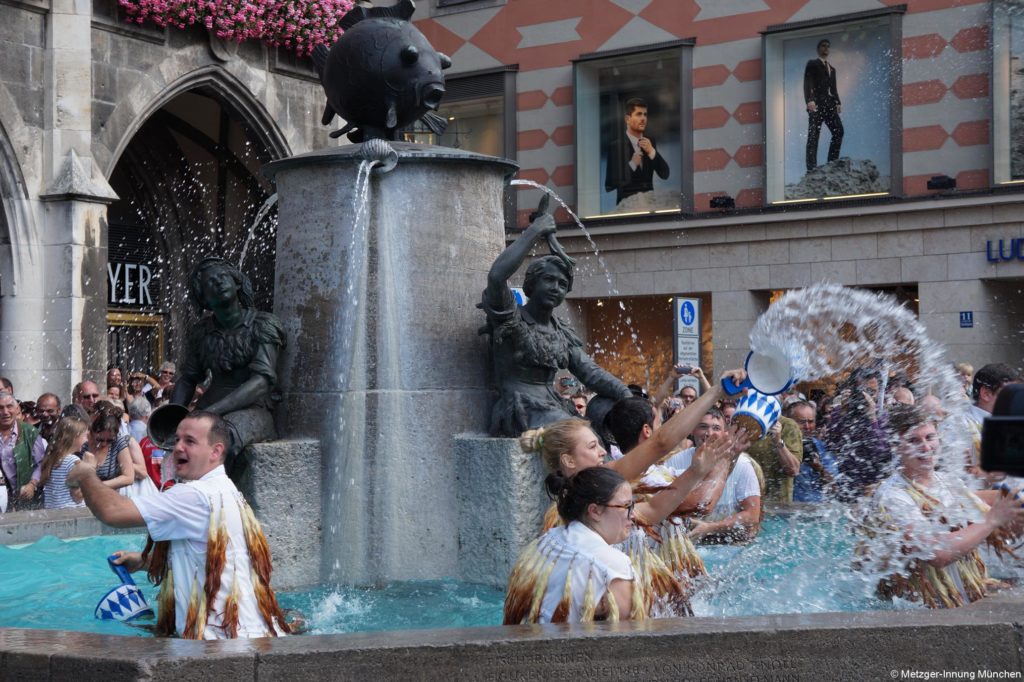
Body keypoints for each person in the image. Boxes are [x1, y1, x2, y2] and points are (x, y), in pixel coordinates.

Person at [66, 411, 290, 638]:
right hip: (251, 636)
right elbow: (210, 559)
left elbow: (111, 512)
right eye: (177, 440)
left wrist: (86, 474)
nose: (178, 448)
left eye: (190, 441)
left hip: (219, 645)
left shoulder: (193, 495)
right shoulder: (227, 491)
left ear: (216, 451)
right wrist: (145, 562)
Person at [480, 198, 630, 436]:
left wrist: (628, 397)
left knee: (610, 421)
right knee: (579, 436)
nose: (556, 288)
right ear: (531, 284)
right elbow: (497, 276)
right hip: (520, 409)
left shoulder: (560, 331)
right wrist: (534, 231)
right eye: (549, 280)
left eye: (562, 284)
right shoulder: (511, 317)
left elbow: (590, 372)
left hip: (554, 407)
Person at [860, 405, 1024, 608]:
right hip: (920, 610)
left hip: (962, 597)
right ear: (895, 445)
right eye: (913, 440)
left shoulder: (946, 481)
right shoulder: (893, 497)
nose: (926, 448)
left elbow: (993, 521)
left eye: (930, 437)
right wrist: (993, 519)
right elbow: (937, 554)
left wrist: (1015, 509)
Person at [172, 257, 286, 481]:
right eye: (210, 283)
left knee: (223, 438)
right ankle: (187, 495)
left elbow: (262, 381)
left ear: (236, 283)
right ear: (203, 298)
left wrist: (213, 412)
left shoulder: (263, 325)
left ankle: (224, 499)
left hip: (253, 409)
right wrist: (173, 414)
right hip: (211, 409)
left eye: (223, 277)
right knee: (185, 442)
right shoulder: (201, 333)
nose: (218, 283)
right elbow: (188, 378)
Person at [504, 467, 635, 624]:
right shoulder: (613, 564)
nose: (632, 515)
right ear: (595, 511)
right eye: (626, 507)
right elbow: (627, 635)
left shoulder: (547, 540)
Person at [664, 409, 762, 544]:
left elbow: (752, 517)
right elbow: (663, 508)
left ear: (725, 433)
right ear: (692, 430)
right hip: (687, 540)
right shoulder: (674, 462)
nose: (709, 433)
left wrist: (709, 528)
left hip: (728, 544)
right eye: (703, 427)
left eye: (716, 428)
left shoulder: (742, 464)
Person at [604, 97, 670, 206]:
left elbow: (665, 174)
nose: (643, 118)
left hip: (649, 207)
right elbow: (610, 185)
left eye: (645, 114)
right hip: (627, 209)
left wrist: (652, 152)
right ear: (627, 119)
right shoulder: (616, 146)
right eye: (639, 114)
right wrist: (632, 165)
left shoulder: (650, 142)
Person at [0, 390, 46, 511]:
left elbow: (41, 464)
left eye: (9, 406)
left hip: (26, 500)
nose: (5, 412)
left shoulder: (29, 432)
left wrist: (32, 484)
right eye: (0, 408)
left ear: (16, 409)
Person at [803, 38, 843, 172]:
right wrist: (810, 100)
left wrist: (838, 102)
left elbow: (834, 89)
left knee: (839, 131)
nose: (826, 48)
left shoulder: (832, 69)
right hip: (817, 104)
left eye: (828, 46)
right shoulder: (812, 63)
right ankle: (811, 167)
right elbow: (808, 82)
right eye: (823, 46)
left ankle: (832, 162)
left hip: (829, 104)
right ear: (818, 48)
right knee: (814, 135)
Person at [744, 414, 803, 505]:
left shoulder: (787, 425)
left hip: (777, 505)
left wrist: (778, 442)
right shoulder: (743, 421)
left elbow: (794, 469)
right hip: (747, 501)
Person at [788, 400, 838, 503]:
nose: (807, 426)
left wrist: (819, 468)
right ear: (789, 422)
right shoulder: (779, 445)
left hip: (814, 510)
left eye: (810, 422)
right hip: (784, 511)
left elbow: (835, 486)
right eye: (802, 422)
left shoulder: (820, 447)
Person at [39, 416, 89, 510]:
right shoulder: (73, 462)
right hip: (72, 514)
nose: (87, 440)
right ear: (75, 437)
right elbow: (78, 496)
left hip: (53, 513)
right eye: (85, 436)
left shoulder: (52, 458)